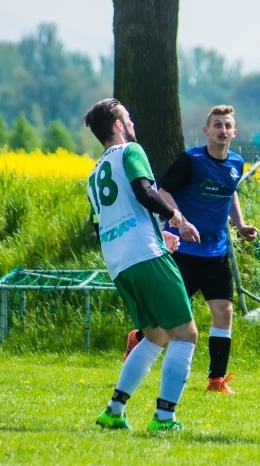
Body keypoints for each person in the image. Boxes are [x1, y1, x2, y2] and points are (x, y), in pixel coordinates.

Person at [126, 105, 258, 394]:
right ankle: (137, 339)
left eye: (227, 126)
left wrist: (240, 224)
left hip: (215, 252)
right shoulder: (190, 160)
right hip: (182, 251)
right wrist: (181, 223)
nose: (222, 130)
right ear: (206, 130)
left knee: (224, 311)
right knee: (165, 319)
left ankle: (216, 380)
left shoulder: (236, 163)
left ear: (234, 132)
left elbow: (230, 190)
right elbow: (162, 191)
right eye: (217, 125)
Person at [84, 97, 198, 432]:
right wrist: (175, 217)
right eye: (127, 117)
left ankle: (114, 411)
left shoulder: (93, 174)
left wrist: (156, 233)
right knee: (186, 333)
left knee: (156, 335)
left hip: (119, 263)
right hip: (145, 254)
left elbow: (97, 224)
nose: (132, 122)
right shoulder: (131, 151)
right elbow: (144, 192)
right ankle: (164, 418)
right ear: (117, 124)